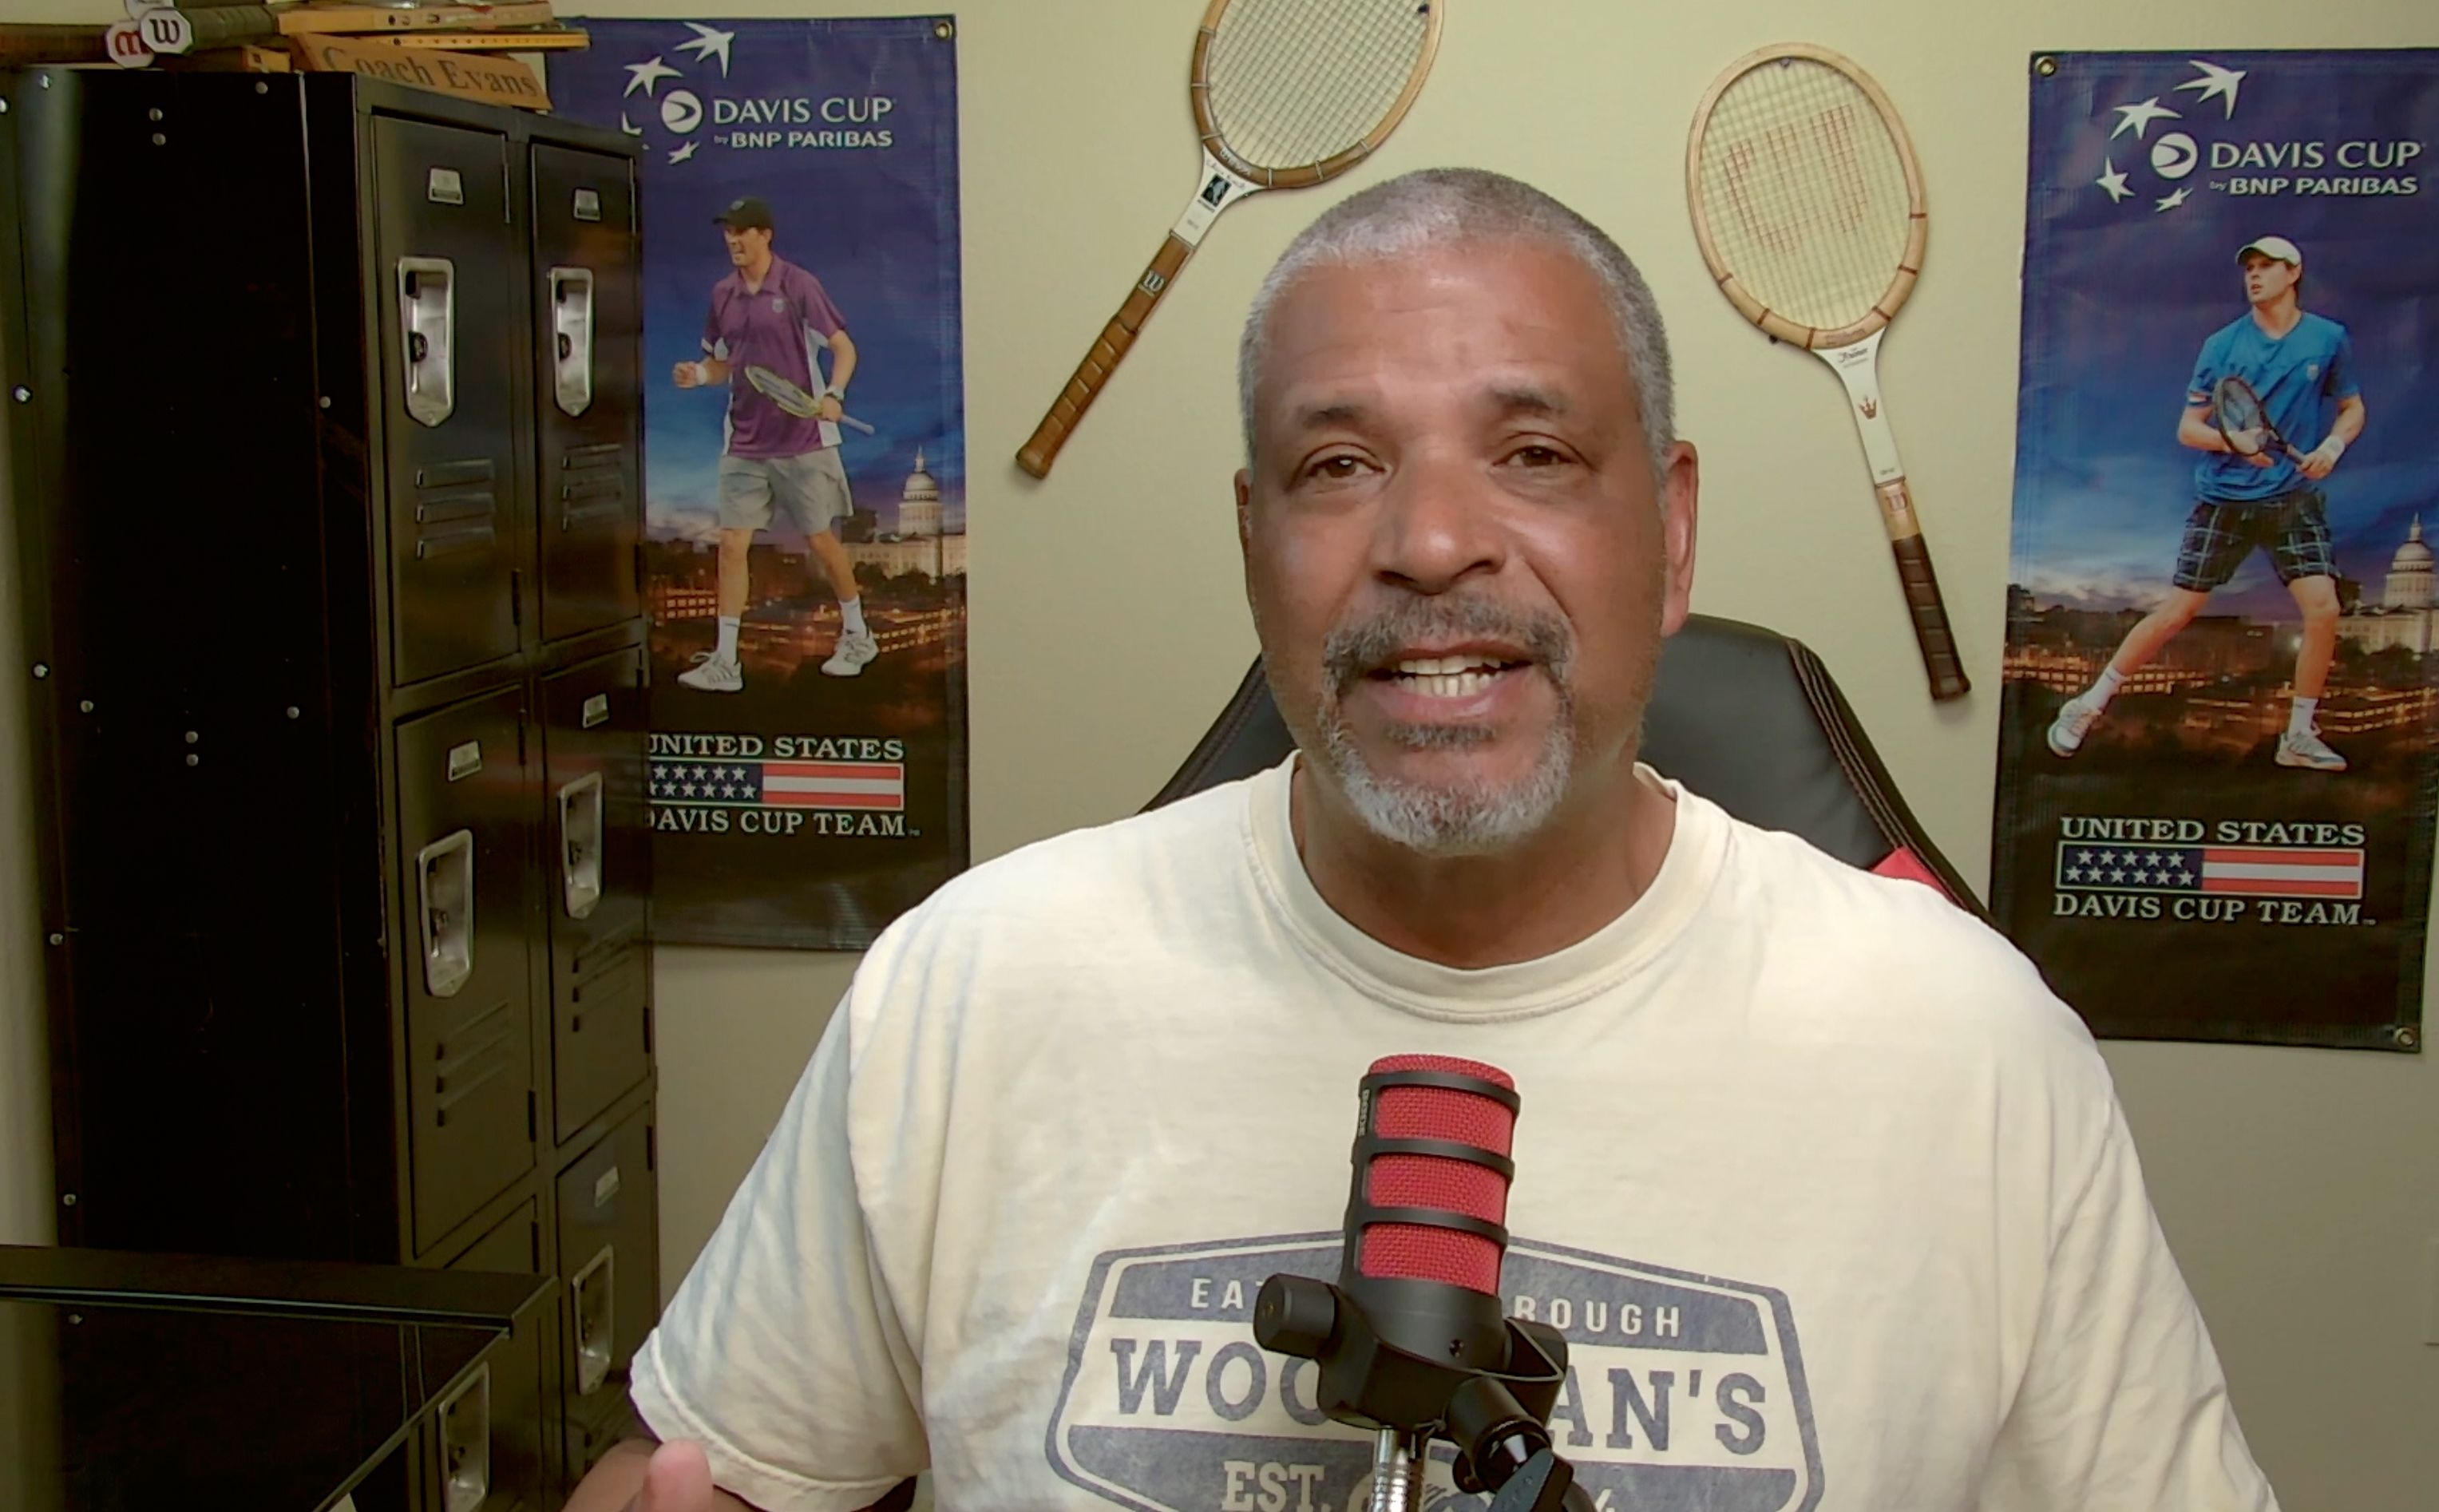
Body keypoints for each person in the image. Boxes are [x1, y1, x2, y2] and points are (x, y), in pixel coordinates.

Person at [573, 169, 2278, 1511]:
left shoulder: (1971, 1051)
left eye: (1533, 452)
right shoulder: (966, 993)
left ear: (1672, 533)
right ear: (1255, 543)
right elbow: (715, 1467)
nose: (1435, 539)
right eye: (1337, 463)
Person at [2048, 235, 2367, 772]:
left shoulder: (2328, 339)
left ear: (2293, 273)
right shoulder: (2221, 345)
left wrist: (2332, 446)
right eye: (2249, 267)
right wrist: (2232, 442)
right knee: (2178, 612)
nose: (2254, 276)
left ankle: (2297, 736)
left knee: (2324, 608)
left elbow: (2352, 408)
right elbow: (2188, 428)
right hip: (2225, 499)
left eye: (2267, 266)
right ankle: (2086, 705)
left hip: (2292, 498)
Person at [673, 196, 878, 693]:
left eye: (742, 231)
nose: (733, 240)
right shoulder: (722, 294)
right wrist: (698, 374)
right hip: (744, 443)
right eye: (728, 231)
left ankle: (858, 635)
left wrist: (834, 394)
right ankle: (726, 662)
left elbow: (844, 348)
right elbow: (725, 363)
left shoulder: (799, 285)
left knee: (820, 540)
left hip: (803, 441)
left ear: (765, 235)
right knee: (732, 545)